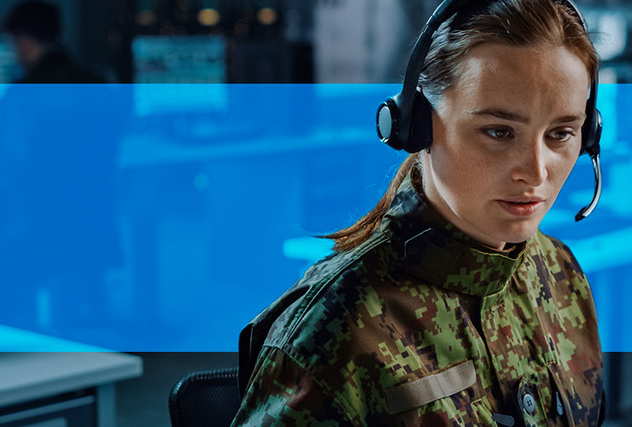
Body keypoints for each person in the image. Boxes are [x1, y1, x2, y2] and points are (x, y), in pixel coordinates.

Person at [232, 0, 605, 425]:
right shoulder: (337, 326)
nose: (537, 172)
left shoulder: (560, 272)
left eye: (561, 133)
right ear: (417, 127)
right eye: (499, 132)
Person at [3, 0, 103, 83]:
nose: (14, 50)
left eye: (13, 41)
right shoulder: (92, 81)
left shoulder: (24, 92)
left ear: (24, 41)